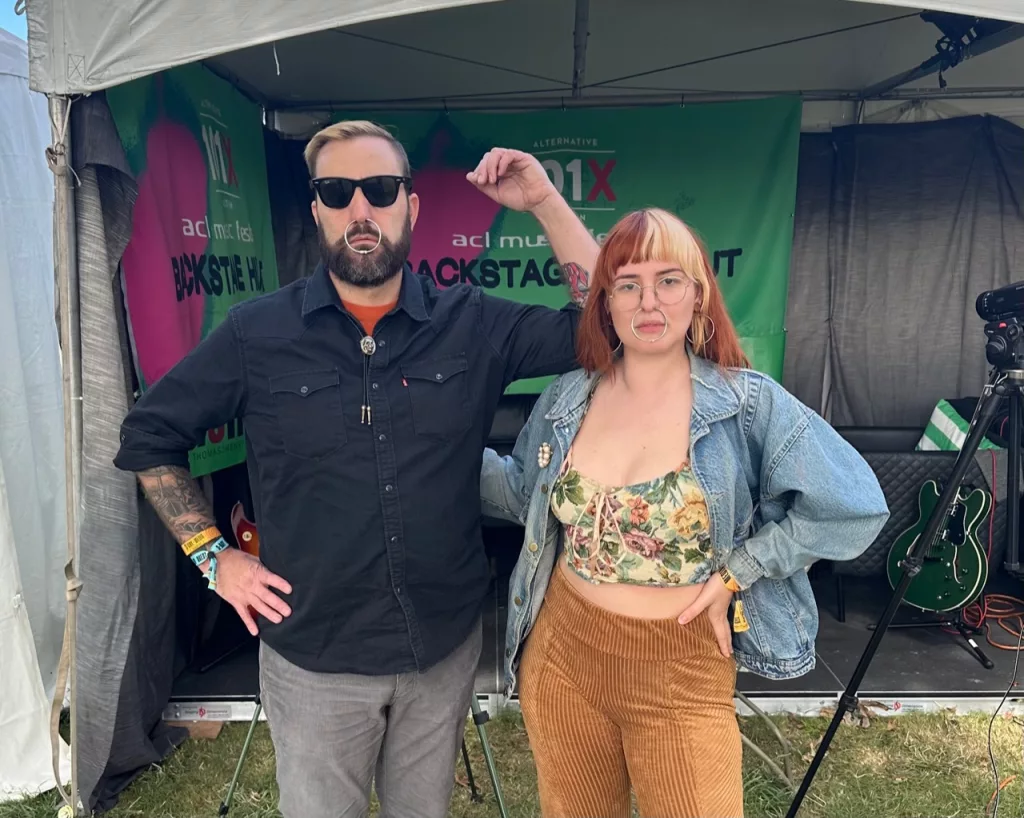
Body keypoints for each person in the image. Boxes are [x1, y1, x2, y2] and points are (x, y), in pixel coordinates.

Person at [112, 120, 599, 818]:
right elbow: (148, 434)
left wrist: (546, 201)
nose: (360, 210)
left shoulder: (472, 323)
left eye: (380, 188)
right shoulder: (258, 334)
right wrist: (212, 556)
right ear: (315, 209)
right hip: (315, 658)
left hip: (440, 647)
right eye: (337, 192)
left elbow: (599, 330)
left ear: (411, 204)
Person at [479, 207, 889, 818]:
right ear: (605, 302)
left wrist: (740, 572)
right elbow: (519, 493)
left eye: (669, 280)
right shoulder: (568, 396)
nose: (649, 301)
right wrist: (433, 447)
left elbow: (854, 507)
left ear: (698, 296)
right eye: (628, 284)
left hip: (681, 664)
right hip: (562, 655)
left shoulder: (744, 404)